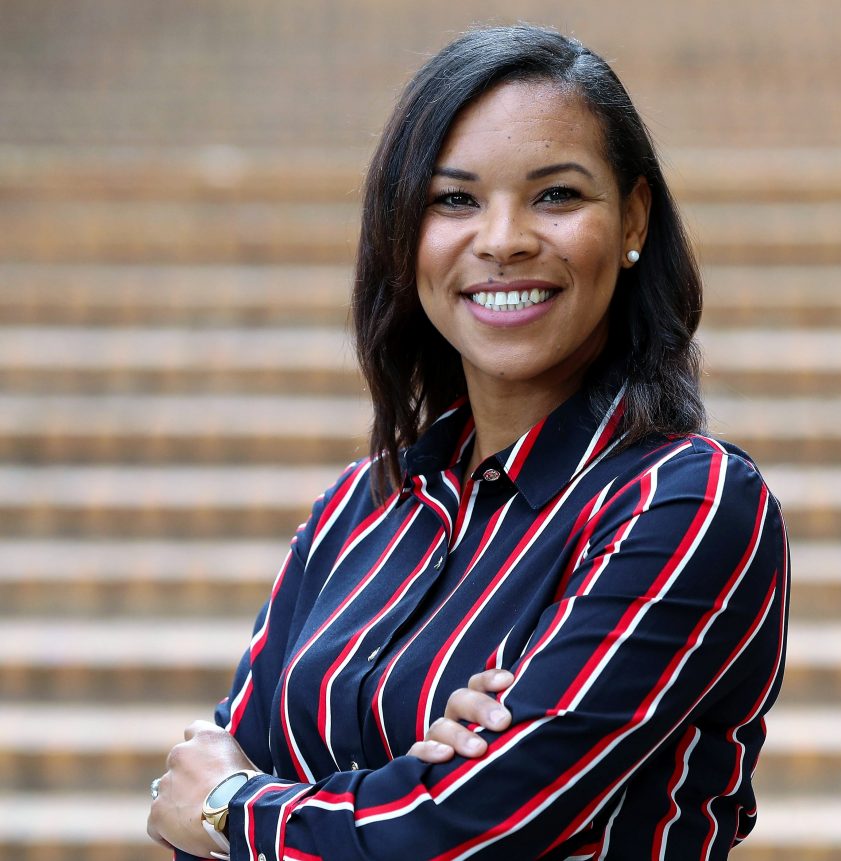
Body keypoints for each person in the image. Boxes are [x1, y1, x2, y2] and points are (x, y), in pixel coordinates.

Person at [147, 24, 789, 861]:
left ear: (633, 218)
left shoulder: (686, 503)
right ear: (403, 234)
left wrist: (245, 809)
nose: (503, 239)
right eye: (454, 200)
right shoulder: (360, 509)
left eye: (556, 195)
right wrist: (402, 785)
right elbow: (200, 795)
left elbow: (474, 828)